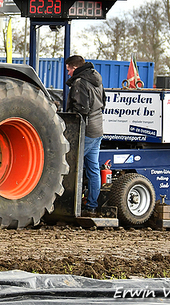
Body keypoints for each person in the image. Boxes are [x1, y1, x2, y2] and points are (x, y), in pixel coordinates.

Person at [65, 55, 106, 217]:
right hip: (98, 129)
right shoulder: (96, 79)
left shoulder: (80, 82)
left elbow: (81, 109)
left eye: (68, 69)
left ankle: (71, 203)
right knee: (93, 169)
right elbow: (103, 101)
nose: (68, 73)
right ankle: (92, 206)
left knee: (72, 166)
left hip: (85, 130)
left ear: (74, 68)